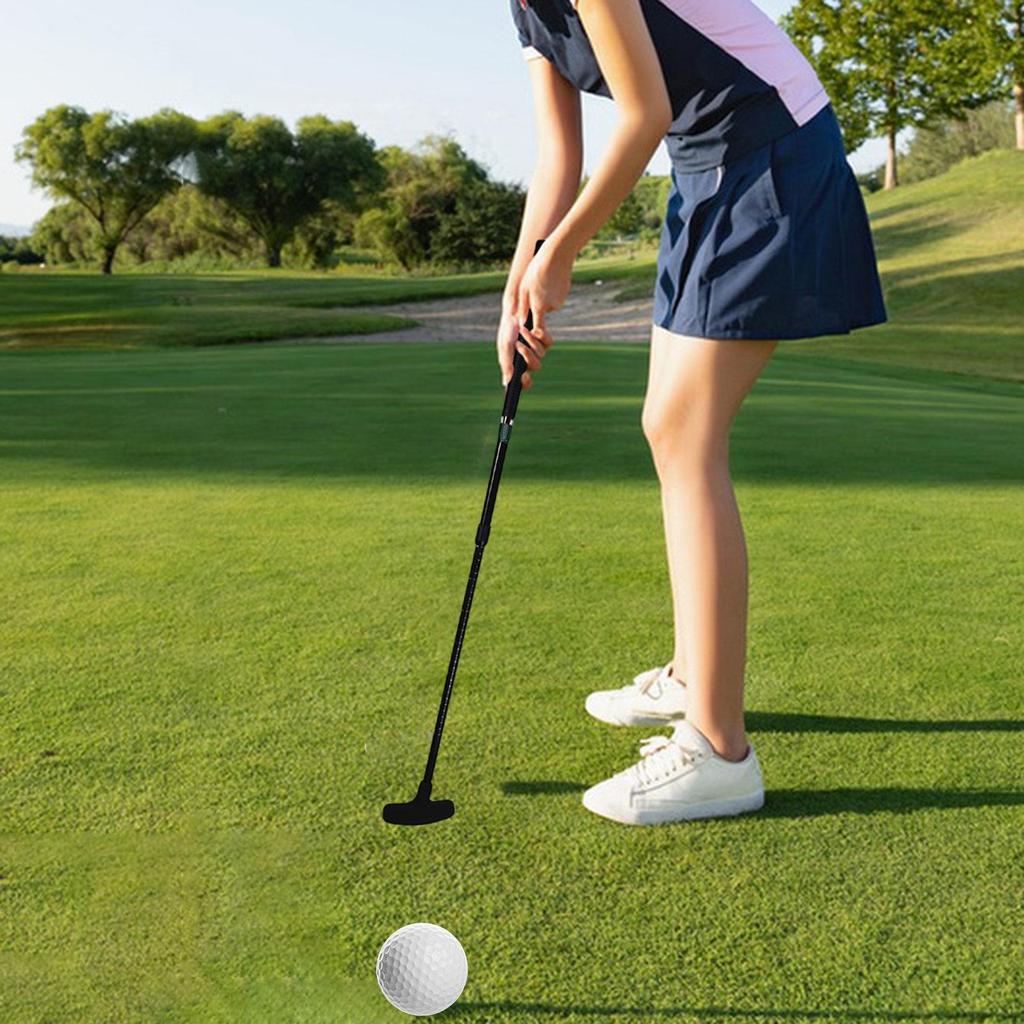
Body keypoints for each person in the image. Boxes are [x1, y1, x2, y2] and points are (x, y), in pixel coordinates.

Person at [497, 0, 886, 825]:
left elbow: (644, 113)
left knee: (685, 433)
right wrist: (516, 291)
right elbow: (558, 156)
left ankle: (719, 751)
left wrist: (562, 254)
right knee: (666, 428)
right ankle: (691, 675)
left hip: (772, 148)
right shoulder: (525, 12)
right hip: (705, 167)